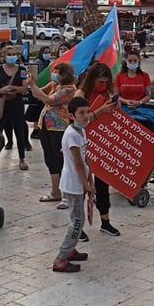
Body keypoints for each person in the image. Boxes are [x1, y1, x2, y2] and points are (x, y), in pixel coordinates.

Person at [77, 62, 121, 236]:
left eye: (106, 82)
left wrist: (115, 107)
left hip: (102, 144)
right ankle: (78, 227)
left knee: (103, 184)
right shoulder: (81, 94)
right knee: (81, 185)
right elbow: (79, 119)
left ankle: (105, 221)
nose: (103, 85)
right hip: (82, 143)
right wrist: (99, 111)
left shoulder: (107, 94)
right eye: (100, 82)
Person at [52, 97, 95, 272]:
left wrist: (89, 178)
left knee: (77, 218)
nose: (86, 116)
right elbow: (77, 163)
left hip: (79, 181)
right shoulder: (71, 135)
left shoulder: (81, 131)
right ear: (72, 115)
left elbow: (85, 160)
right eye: (81, 113)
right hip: (73, 183)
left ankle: (71, 250)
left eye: (87, 111)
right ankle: (61, 259)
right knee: (77, 221)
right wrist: (86, 184)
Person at [28, 62, 77, 207]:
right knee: (50, 158)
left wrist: (34, 87)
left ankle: (67, 195)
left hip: (59, 127)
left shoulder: (69, 89)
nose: (54, 74)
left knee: (61, 160)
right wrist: (32, 85)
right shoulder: (55, 85)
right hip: (46, 125)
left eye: (57, 72)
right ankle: (55, 191)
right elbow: (38, 94)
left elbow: (49, 99)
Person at [0, 45, 31, 168]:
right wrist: (2, 90)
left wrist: (13, 89)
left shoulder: (22, 69)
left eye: (14, 54)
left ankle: (22, 159)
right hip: (1, 104)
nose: (12, 57)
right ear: (3, 56)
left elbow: (24, 89)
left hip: (16, 104)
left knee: (19, 131)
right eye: (9, 54)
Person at [115, 50, 154, 138]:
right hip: (124, 109)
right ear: (126, 61)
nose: (132, 63)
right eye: (130, 61)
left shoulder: (145, 76)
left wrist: (139, 102)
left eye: (135, 60)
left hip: (142, 109)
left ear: (139, 61)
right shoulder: (119, 76)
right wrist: (126, 101)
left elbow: (148, 95)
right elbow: (116, 96)